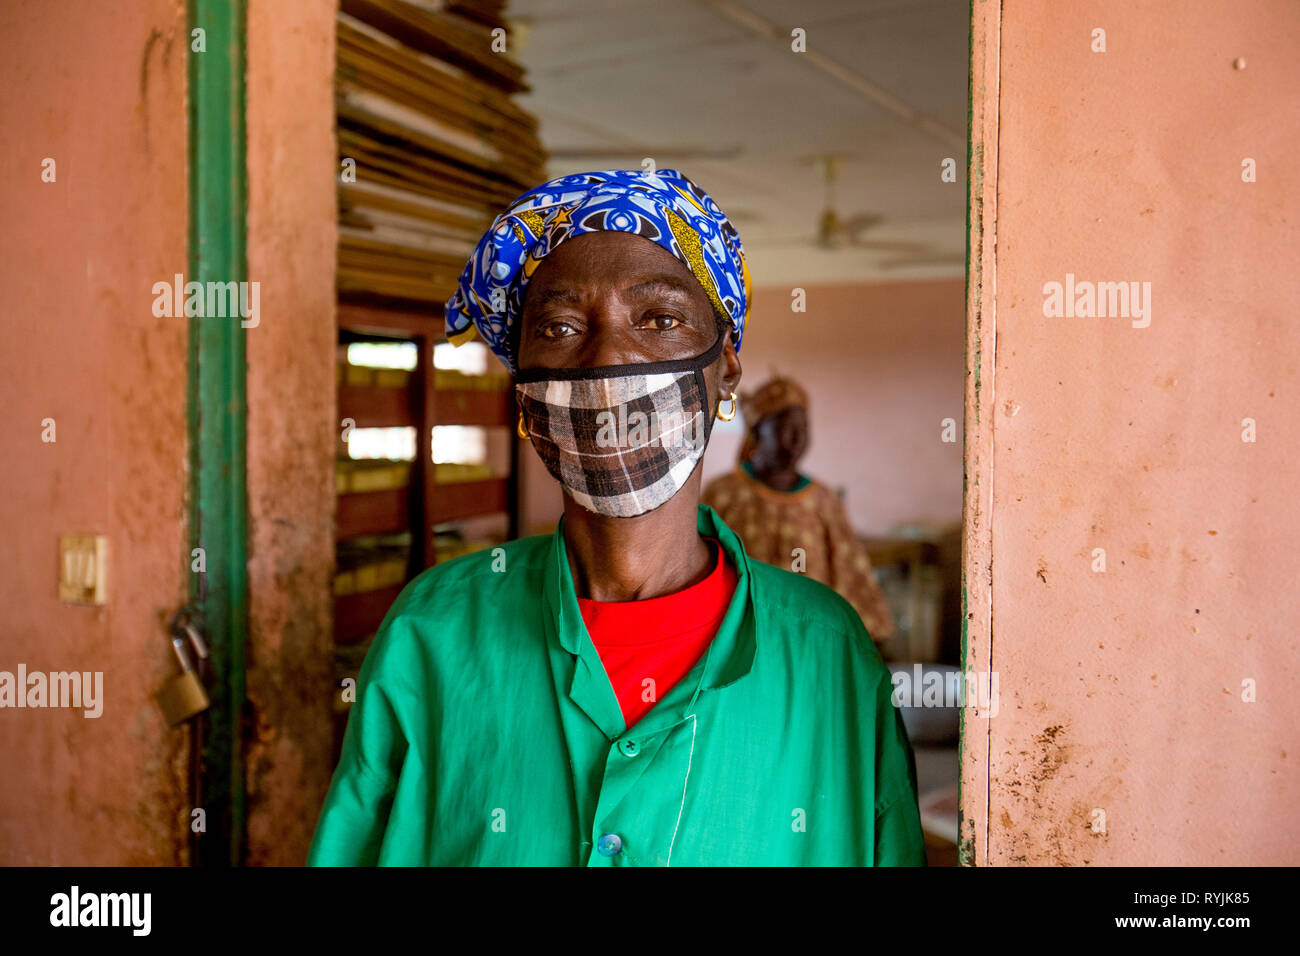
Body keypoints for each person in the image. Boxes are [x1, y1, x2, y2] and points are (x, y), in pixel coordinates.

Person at [307, 169, 925, 866]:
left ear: (725, 371)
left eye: (658, 319)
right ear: (523, 389)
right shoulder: (434, 634)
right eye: (560, 326)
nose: (607, 361)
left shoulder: (829, 657)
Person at [702, 376, 897, 642]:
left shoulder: (823, 501)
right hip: (740, 639)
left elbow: (850, 575)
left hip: (808, 640)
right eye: (783, 426)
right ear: (758, 432)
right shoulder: (724, 494)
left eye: (803, 427)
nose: (796, 437)